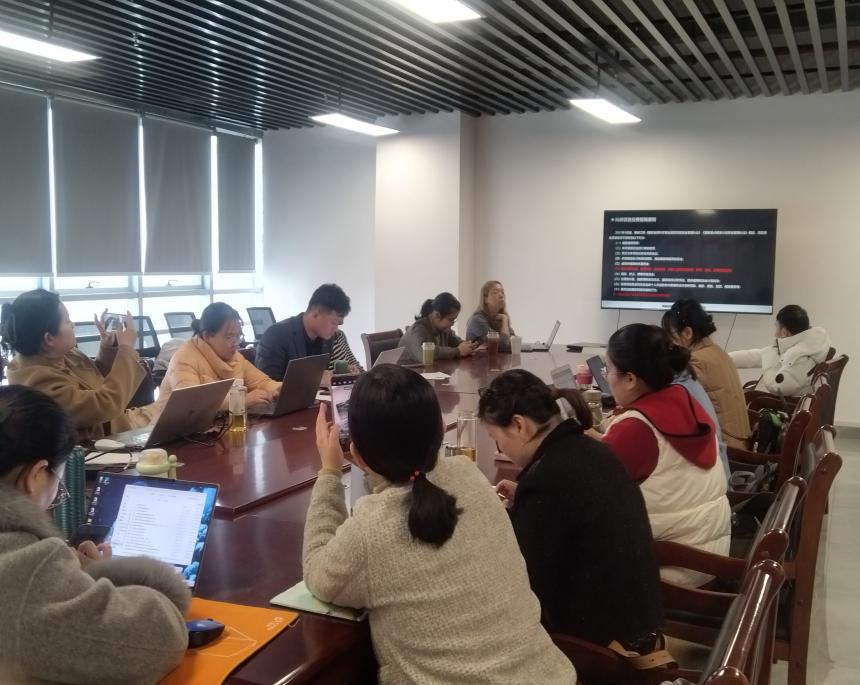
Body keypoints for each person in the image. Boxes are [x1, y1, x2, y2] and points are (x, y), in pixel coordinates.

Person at [304, 365, 576, 684]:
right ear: (441, 428)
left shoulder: (371, 528)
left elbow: (318, 572)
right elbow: (411, 482)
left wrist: (329, 472)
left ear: (357, 454)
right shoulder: (468, 474)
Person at [0, 385, 189, 683]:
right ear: (35, 476)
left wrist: (66, 578)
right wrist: (102, 576)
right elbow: (158, 639)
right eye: (57, 480)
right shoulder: (25, 569)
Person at [478, 369, 665, 658]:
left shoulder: (547, 479)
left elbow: (525, 584)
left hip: (603, 651)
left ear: (518, 425)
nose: (500, 448)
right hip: (641, 621)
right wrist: (527, 503)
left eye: (496, 438)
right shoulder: (591, 450)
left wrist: (498, 520)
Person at [599, 324, 730, 587]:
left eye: (608, 369)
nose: (606, 377)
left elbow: (587, 489)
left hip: (668, 573)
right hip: (709, 555)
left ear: (630, 379)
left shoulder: (635, 428)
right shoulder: (683, 399)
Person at [1, 289, 155, 441]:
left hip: (117, 430)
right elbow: (103, 404)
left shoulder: (61, 354)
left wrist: (109, 346)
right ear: (49, 339)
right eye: (67, 321)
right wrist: (126, 349)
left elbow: (97, 380)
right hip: (98, 449)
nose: (73, 325)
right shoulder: (37, 383)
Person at [661, 299, 750, 449]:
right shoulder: (719, 352)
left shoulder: (695, 361)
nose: (669, 343)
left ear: (687, 333)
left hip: (727, 449)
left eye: (671, 336)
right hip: (740, 442)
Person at [160, 302, 281, 410]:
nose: (236, 343)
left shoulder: (235, 357)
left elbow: (263, 382)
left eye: (238, 336)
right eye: (229, 336)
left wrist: (279, 390)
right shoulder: (184, 358)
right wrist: (241, 401)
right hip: (172, 426)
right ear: (207, 336)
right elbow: (192, 403)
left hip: (221, 424)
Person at [256, 284, 351, 383]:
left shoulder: (326, 340)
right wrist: (313, 380)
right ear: (316, 314)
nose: (336, 329)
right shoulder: (276, 335)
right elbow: (266, 384)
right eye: (334, 323)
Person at [730, 304, 831, 397]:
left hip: (775, 404)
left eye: (776, 327)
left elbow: (777, 387)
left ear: (784, 332)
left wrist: (768, 357)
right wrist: (724, 357)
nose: (775, 334)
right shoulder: (806, 347)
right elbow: (754, 356)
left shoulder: (798, 358)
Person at [399, 292, 478, 363]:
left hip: (430, 371)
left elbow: (455, 341)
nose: (453, 324)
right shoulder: (417, 330)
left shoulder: (443, 329)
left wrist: (468, 346)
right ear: (437, 315)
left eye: (454, 320)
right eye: (451, 319)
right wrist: (457, 351)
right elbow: (425, 353)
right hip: (407, 373)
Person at [466, 280, 515, 351]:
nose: (501, 295)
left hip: (497, 358)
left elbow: (513, 342)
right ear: (485, 299)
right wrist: (505, 320)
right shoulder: (477, 320)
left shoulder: (501, 316)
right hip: (477, 358)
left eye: (502, 292)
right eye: (495, 292)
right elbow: (503, 344)